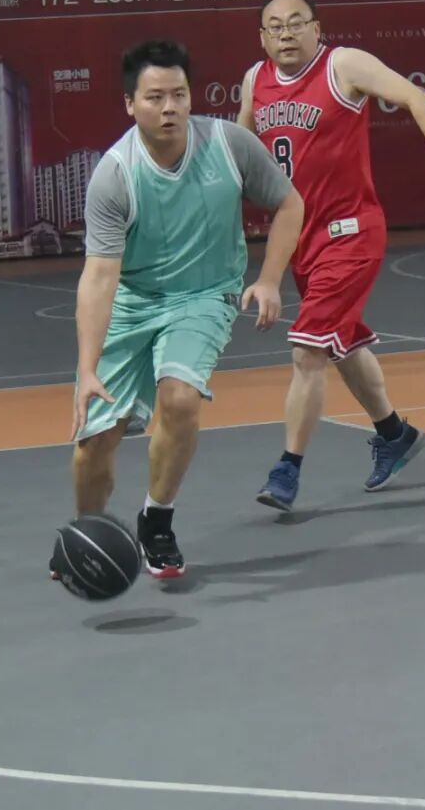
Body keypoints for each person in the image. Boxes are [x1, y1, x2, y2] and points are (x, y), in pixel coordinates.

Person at [237, 0, 425, 511]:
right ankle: (394, 434)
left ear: (317, 28)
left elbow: (416, 98)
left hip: (351, 233)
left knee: (307, 350)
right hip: (301, 238)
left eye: (296, 23)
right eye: (274, 27)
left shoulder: (342, 66)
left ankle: (287, 469)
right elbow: (240, 146)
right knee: (341, 345)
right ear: (261, 37)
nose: (286, 34)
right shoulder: (255, 79)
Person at [68, 40, 304, 577]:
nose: (169, 107)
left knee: (179, 398)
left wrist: (270, 279)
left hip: (204, 295)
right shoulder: (116, 173)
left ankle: (157, 519)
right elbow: (100, 276)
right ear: (130, 104)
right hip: (132, 301)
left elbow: (290, 203)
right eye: (155, 97)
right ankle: (88, 533)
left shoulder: (228, 144)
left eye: (179, 94)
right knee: (94, 444)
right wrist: (86, 368)